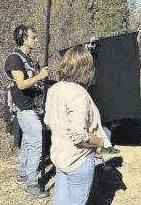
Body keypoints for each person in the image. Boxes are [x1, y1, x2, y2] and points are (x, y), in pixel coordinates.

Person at [44, 46, 112, 204]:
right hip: (78, 160)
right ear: (86, 68)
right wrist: (102, 141)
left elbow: (48, 121)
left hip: (60, 156)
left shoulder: (54, 89)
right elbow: (79, 136)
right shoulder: (78, 95)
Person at [4, 25, 49, 198]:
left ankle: (23, 174)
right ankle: (32, 183)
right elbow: (21, 84)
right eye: (33, 37)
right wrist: (39, 76)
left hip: (31, 106)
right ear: (24, 38)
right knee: (37, 141)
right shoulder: (15, 59)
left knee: (29, 142)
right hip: (23, 108)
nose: (36, 40)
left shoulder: (28, 59)